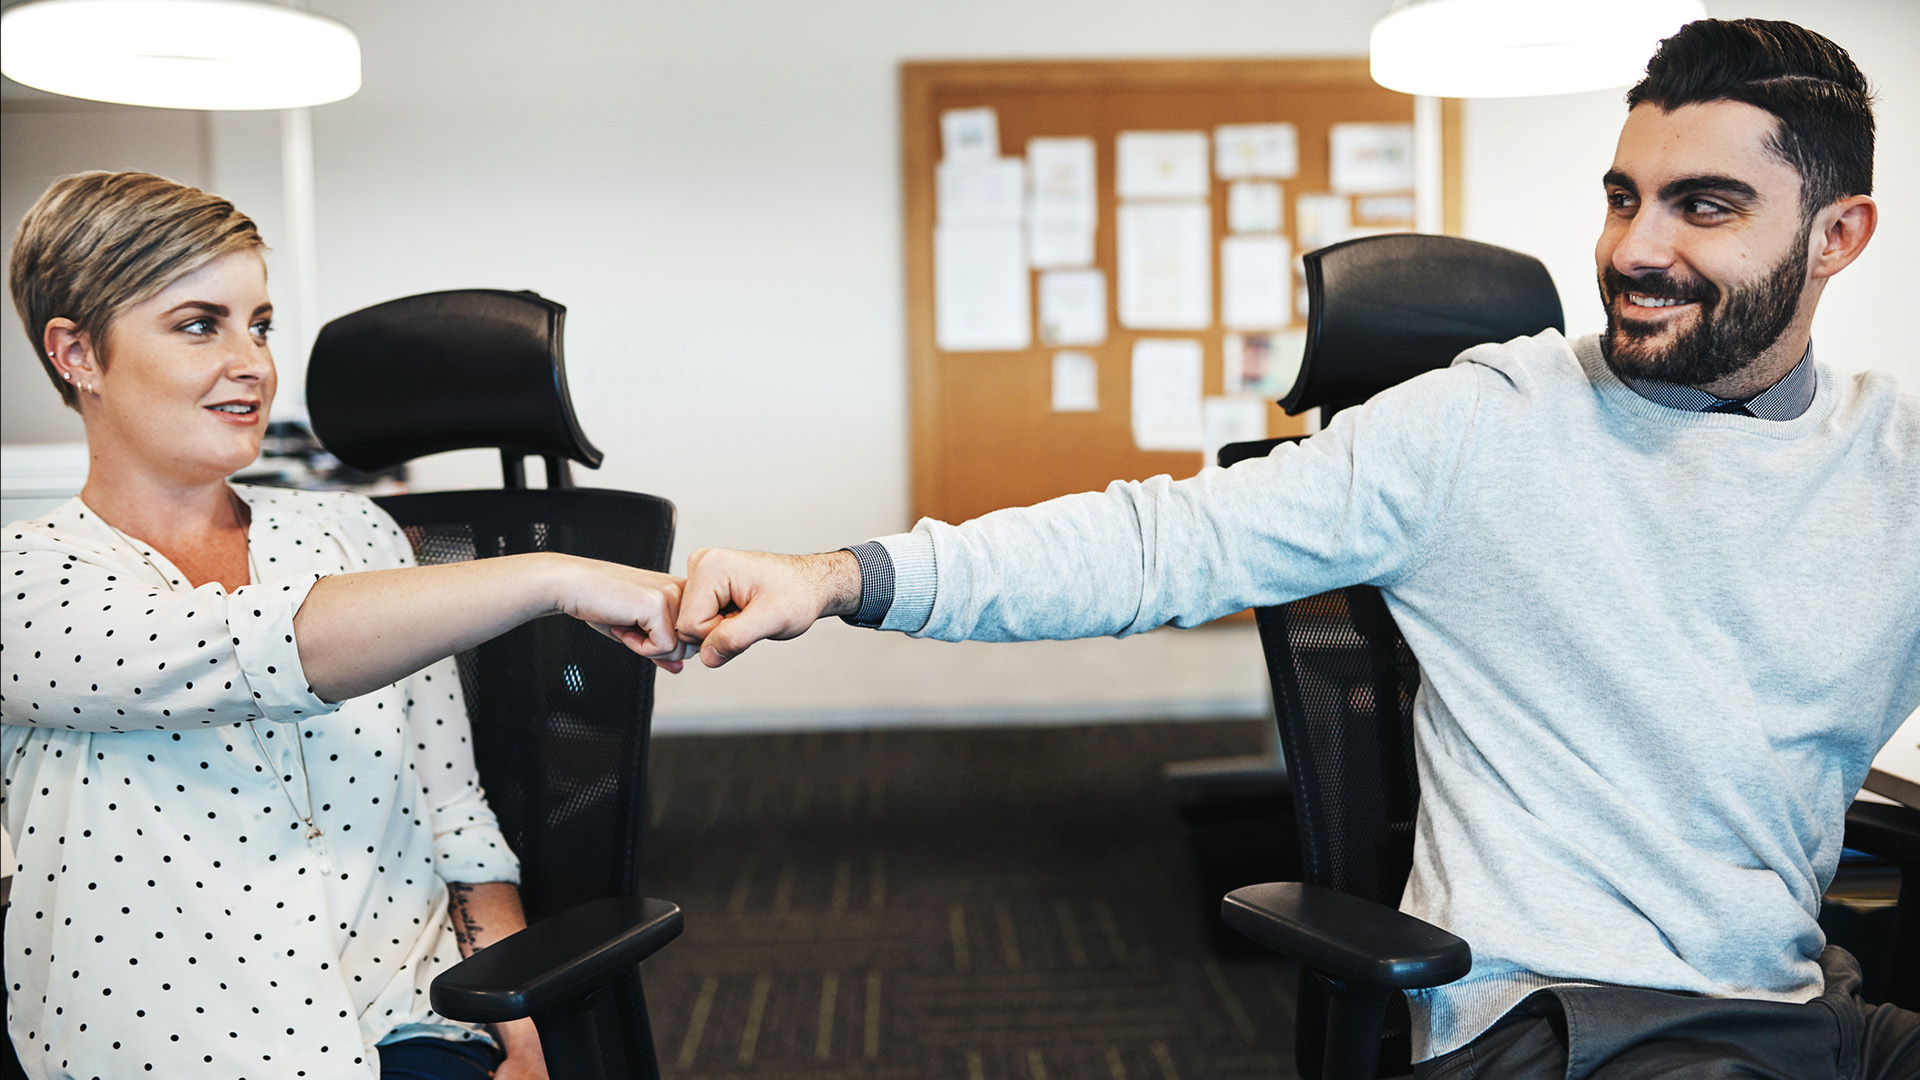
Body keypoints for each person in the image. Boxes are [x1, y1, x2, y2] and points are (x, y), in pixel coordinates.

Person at [671, 20, 1919, 1079]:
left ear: (1838, 236)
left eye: (1705, 206)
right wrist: (837, 577)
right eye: (1620, 196)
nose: (1634, 250)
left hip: (1796, 1006)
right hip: (1558, 1019)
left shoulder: (1895, 462)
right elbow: (1152, 545)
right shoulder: (1489, 420)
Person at [2, 172, 691, 1079]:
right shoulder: (25, 578)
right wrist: (551, 578)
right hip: (167, 1049)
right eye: (199, 324)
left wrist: (517, 1029)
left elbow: (451, 807)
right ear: (76, 353)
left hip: (404, 1024)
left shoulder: (353, 533)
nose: (251, 361)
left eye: (261, 324)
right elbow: (245, 650)